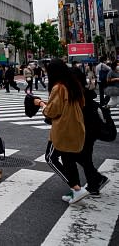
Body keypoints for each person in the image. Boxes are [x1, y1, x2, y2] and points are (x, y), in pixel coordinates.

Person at [33, 59, 87, 204]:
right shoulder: (73, 84)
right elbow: (82, 103)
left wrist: (41, 104)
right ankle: (75, 191)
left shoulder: (59, 87)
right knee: (69, 160)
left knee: (50, 158)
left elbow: (52, 111)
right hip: (76, 126)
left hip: (63, 129)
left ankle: (76, 188)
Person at [69, 68, 110, 197]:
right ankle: (95, 182)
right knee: (85, 158)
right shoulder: (85, 93)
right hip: (90, 130)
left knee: (80, 157)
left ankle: (95, 183)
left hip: (86, 130)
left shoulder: (79, 94)